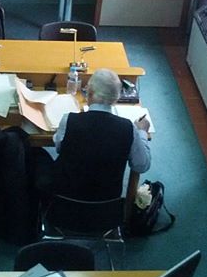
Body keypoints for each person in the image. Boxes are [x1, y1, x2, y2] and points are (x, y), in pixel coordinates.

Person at [40, 68, 151, 202]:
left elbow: (59, 148)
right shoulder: (129, 129)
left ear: (90, 92)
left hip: (64, 205)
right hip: (105, 209)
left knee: (38, 155)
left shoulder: (68, 120)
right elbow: (142, 165)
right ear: (116, 98)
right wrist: (142, 132)